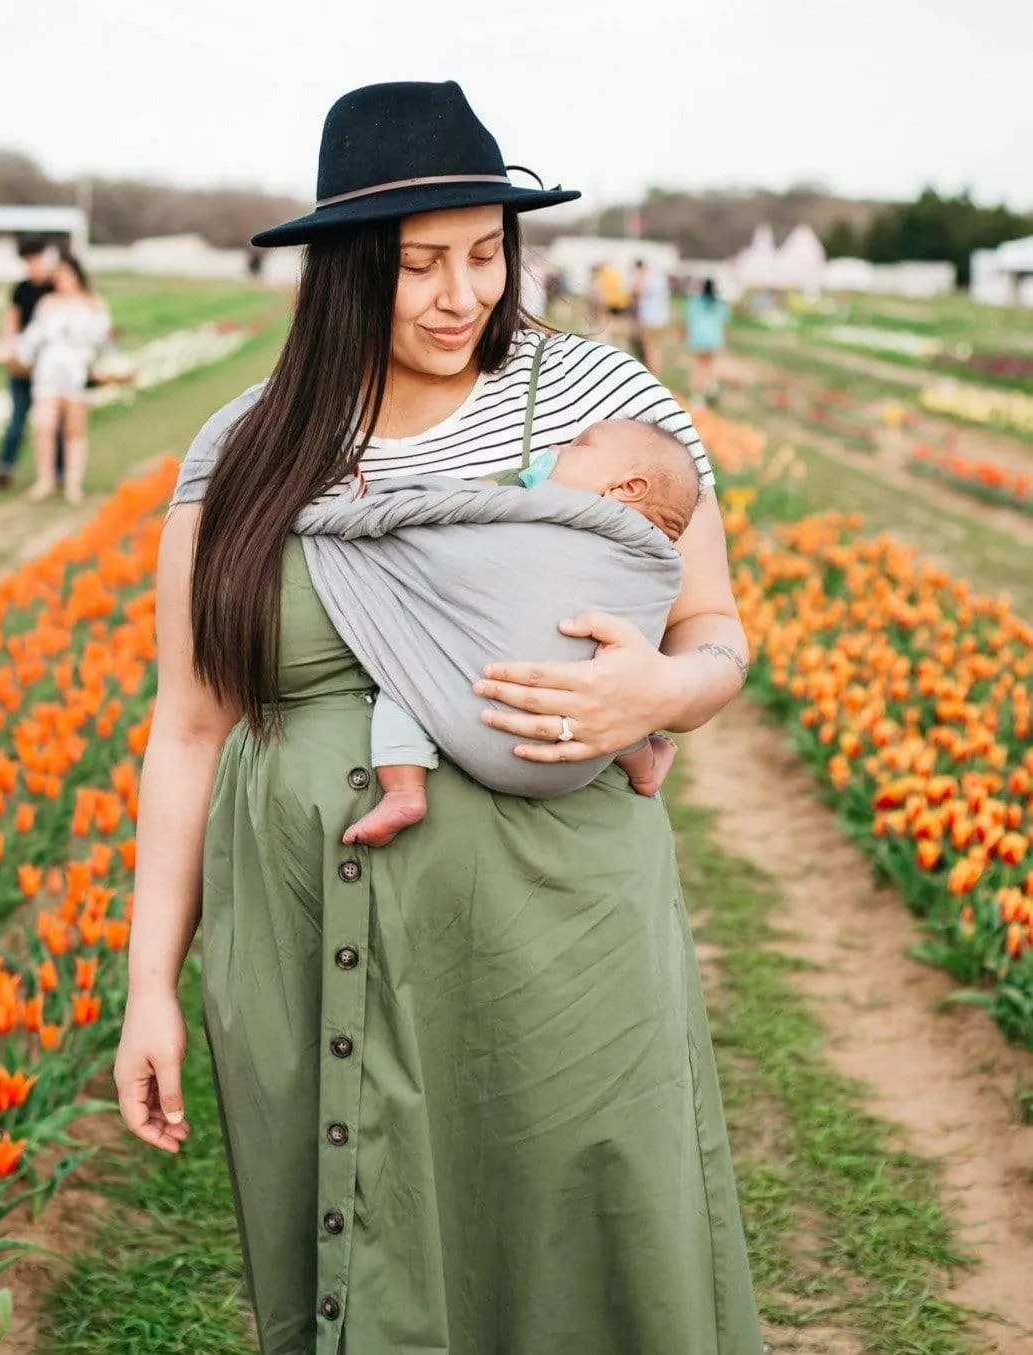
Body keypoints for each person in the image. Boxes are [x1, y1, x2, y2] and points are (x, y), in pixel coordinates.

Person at [114, 80, 762, 1354]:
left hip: (554, 931)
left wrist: (659, 691)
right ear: (344, 272)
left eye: (484, 253)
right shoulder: (242, 450)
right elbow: (188, 725)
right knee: (362, 1248)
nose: (461, 294)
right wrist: (149, 985)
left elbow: (716, 636)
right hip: (304, 927)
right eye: (418, 265)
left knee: (585, 1239)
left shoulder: (593, 402)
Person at [338, 417, 698, 847]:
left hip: (493, 704)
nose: (559, 448)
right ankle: (640, 760)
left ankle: (404, 789)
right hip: (585, 751)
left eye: (578, 445)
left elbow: (471, 515)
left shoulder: (547, 507)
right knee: (607, 682)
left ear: (627, 489)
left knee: (409, 666)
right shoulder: (650, 560)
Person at [14, 251, 111, 504]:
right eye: (57, 275)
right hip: (48, 372)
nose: (60, 279)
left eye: (65, 274)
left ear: (77, 275)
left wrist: (101, 367)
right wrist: (18, 354)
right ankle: (45, 480)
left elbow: (103, 342)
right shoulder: (47, 303)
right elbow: (33, 337)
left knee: (73, 430)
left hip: (78, 373)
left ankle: (72, 485)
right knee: (44, 426)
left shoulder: (93, 303)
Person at [0, 237, 65, 490]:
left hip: (51, 364)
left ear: (45, 258)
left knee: (55, 420)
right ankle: (3, 469)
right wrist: (10, 348)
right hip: (24, 364)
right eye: (27, 262)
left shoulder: (57, 287)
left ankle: (60, 472)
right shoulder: (21, 289)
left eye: (35, 260)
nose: (32, 266)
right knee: (18, 417)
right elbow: (11, 320)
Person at [684, 277, 732, 405]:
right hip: (714, 340)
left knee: (698, 368)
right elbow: (725, 321)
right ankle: (710, 388)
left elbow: (689, 320)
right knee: (709, 367)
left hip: (698, 340)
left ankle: (698, 396)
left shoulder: (694, 302)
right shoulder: (719, 304)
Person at [633, 256, 673, 375]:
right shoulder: (660, 279)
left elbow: (637, 293)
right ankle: (657, 373)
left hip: (649, 320)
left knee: (650, 350)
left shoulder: (645, 279)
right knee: (656, 349)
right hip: (662, 320)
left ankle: (653, 375)